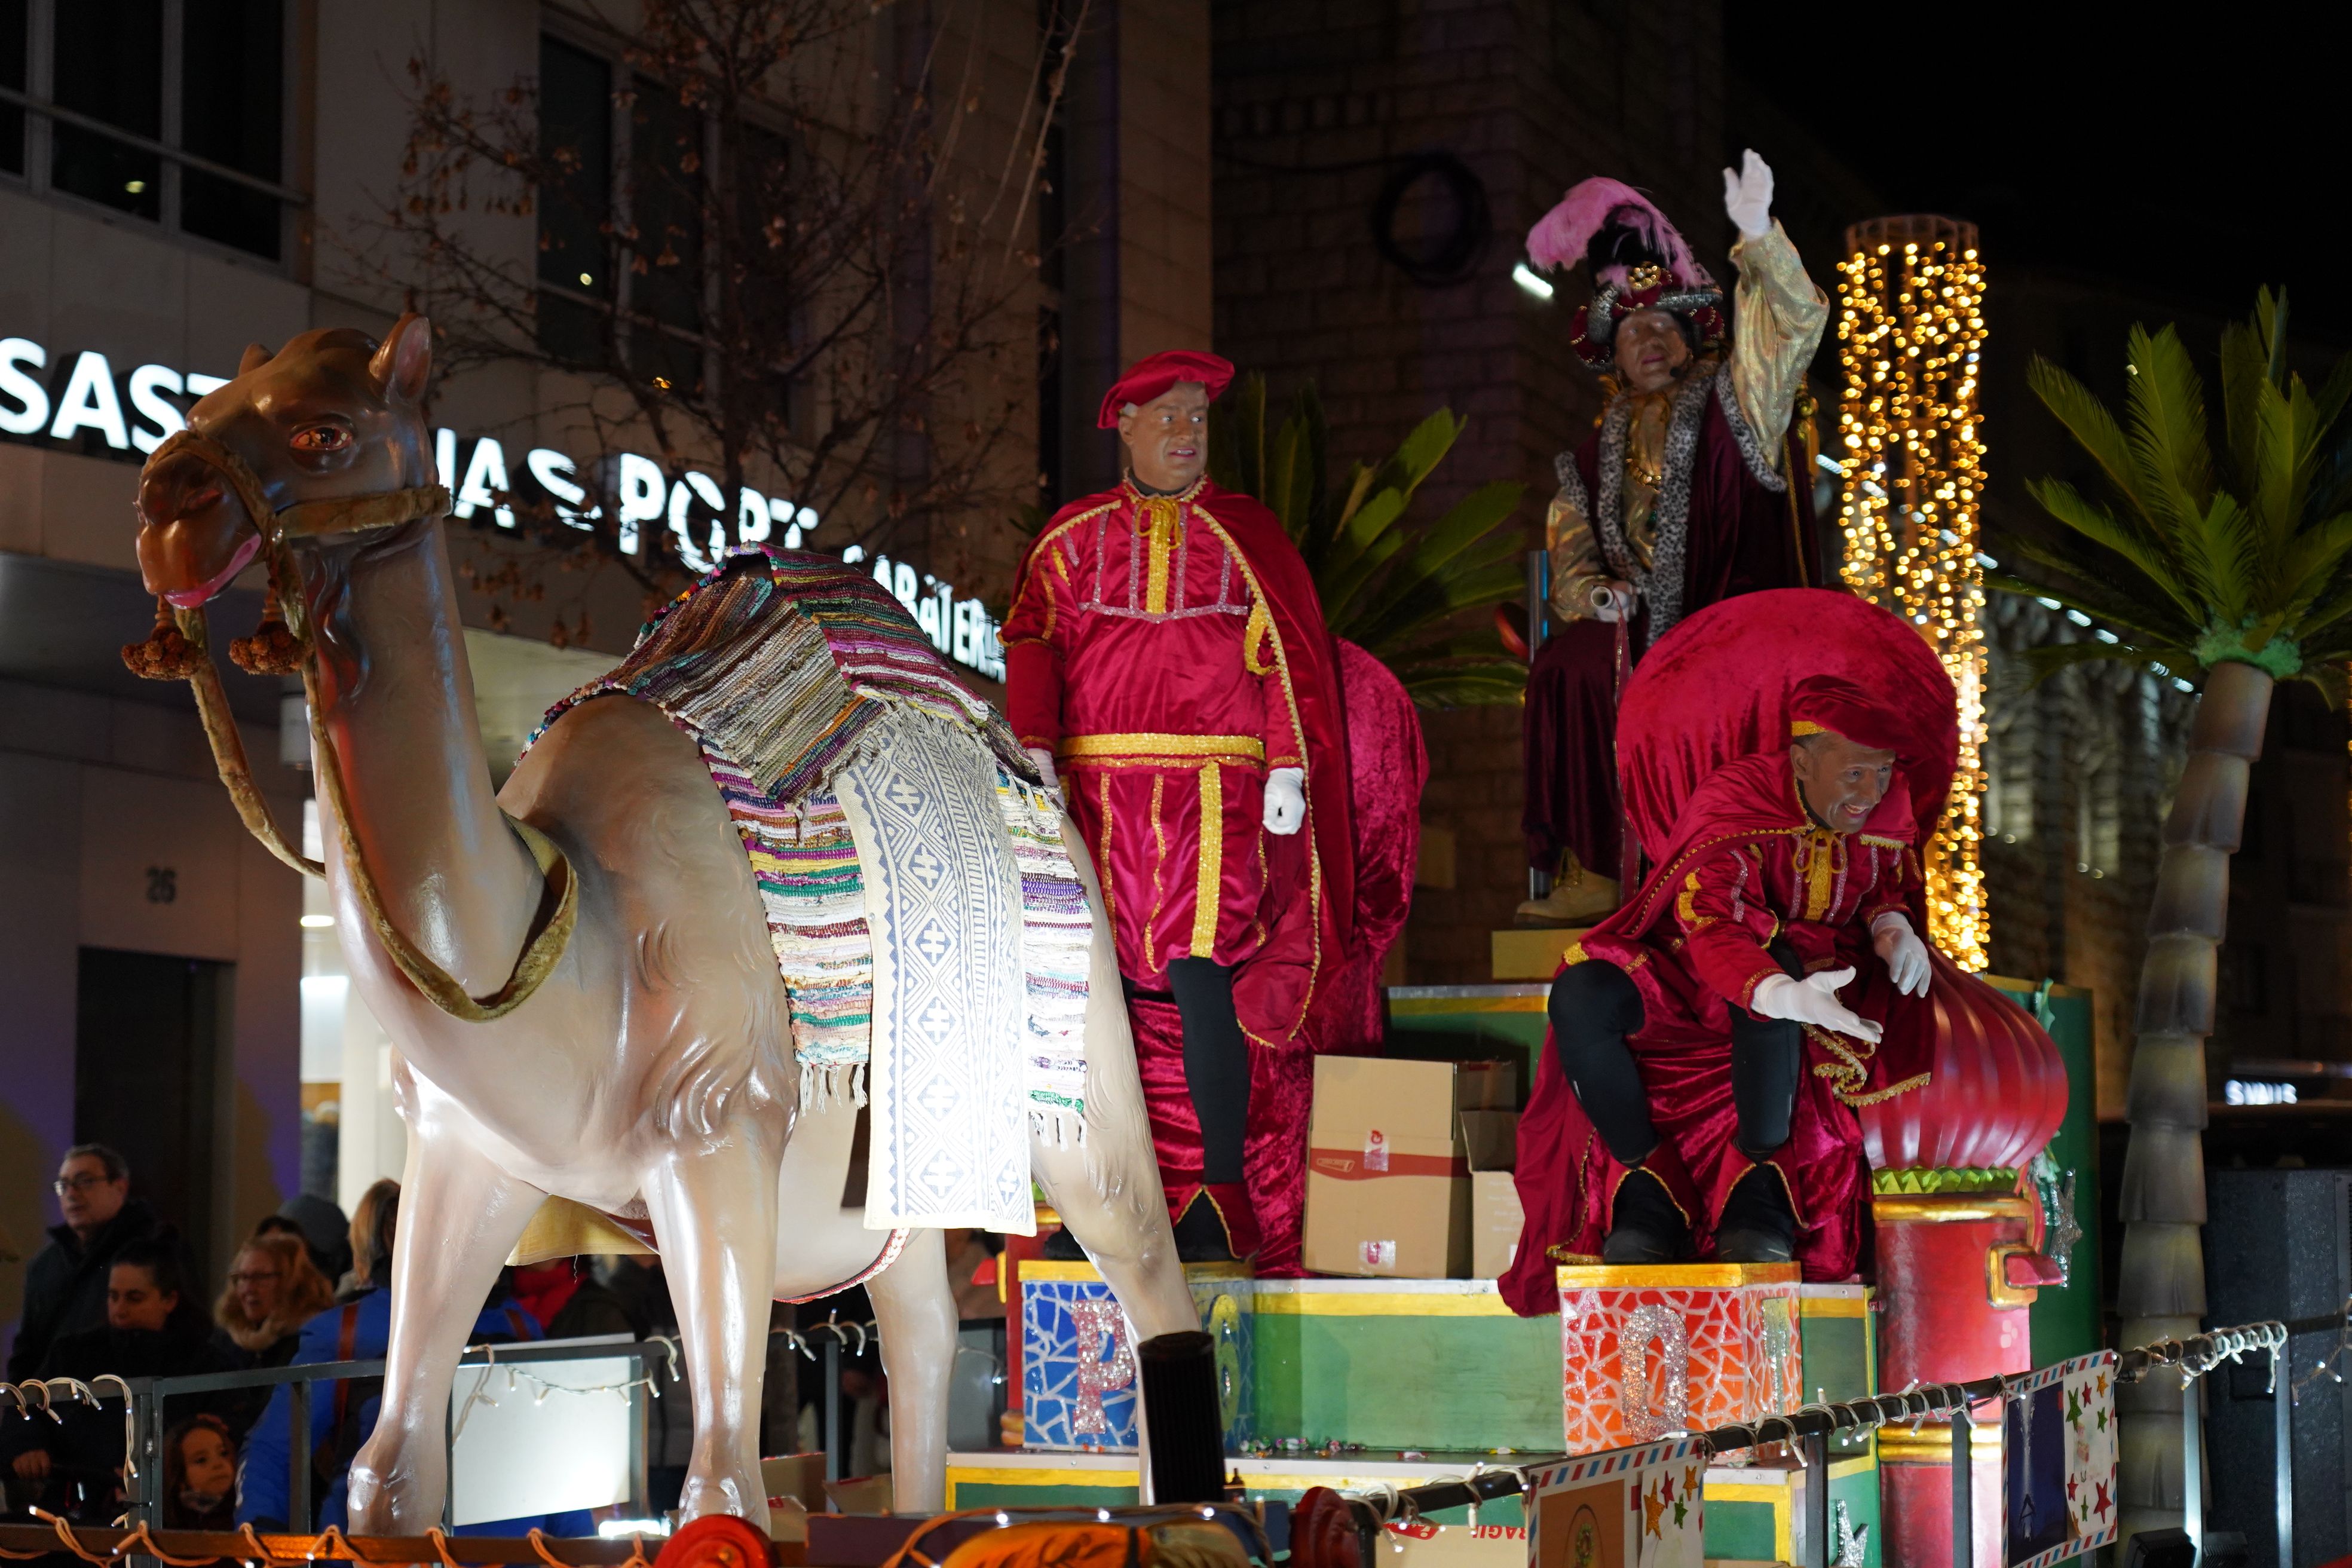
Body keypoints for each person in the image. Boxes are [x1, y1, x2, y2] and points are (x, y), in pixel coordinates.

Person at [1003, 350, 1353, 1262]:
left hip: (1214, 792)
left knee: (1201, 978)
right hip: (1100, 793)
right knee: (1097, 995)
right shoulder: (1070, 540)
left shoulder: (1247, 536)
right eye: (1169, 417)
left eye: (1198, 418)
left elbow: (1286, 656)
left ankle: (1218, 1196)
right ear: (1125, 426)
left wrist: (1287, 768)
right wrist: (1033, 742)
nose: (1188, 433)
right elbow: (1033, 640)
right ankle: (1101, 1198)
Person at [1500, 675, 1940, 1310]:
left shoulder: (1889, 802)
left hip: (1830, 972)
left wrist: (1892, 929)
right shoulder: (1737, 798)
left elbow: (1885, 888)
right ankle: (1646, 1188)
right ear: (1802, 762)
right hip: (1704, 963)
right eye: (1854, 774)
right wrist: (1780, 992)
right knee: (1581, 993)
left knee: (1785, 961)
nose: (1871, 793)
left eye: (1882, 772)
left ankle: (1758, 1195)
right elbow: (1713, 923)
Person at [1517, 151, 1829, 923]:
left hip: (1726, 622)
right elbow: (1572, 551)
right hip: (1635, 627)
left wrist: (1759, 235)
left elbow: (1794, 328)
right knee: (1568, 666)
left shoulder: (1740, 403)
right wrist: (1599, 594)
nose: (1648, 338)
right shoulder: (1590, 454)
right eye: (1631, 329)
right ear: (1612, 354)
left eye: (1663, 324)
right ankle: (1598, 869)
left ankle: (1726, 873)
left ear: (1691, 339)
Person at [234, 1179, 587, 1537]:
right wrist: (262, 1533)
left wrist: (579, 1541)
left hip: (505, 1548)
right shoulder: (345, 1332)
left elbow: (551, 1449)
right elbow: (275, 1447)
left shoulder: (518, 1324)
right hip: (383, 1547)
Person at [2, 1241, 234, 1520]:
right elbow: (25, 1406)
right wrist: (27, 1445)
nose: (120, 1309)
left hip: (172, 1513)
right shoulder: (73, 1353)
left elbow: (227, 1425)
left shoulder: (203, 1363)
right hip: (75, 1508)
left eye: (134, 1298)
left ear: (169, 1300)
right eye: (113, 1297)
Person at [8, 1144, 190, 1380]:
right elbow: (27, 1351)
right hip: (52, 1395)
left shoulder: (156, 1248)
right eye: (64, 1185)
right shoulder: (44, 1265)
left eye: (85, 1181)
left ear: (120, 1187)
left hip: (130, 1390)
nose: (72, 1194)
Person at [162, 1414, 238, 1531]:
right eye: (201, 1460)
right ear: (179, 1477)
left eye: (223, 1453)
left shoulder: (244, 1515)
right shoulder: (170, 1526)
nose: (218, 1464)